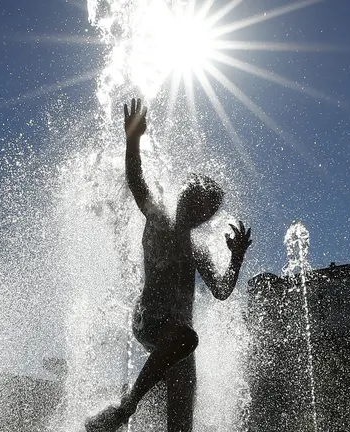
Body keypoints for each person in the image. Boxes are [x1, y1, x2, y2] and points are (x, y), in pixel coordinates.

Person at [85, 98, 252, 432]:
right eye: (197, 203)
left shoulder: (198, 250)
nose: (201, 212)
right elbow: (136, 180)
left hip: (180, 337)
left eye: (207, 210)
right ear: (184, 198)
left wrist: (235, 259)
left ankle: (115, 416)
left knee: (181, 424)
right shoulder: (159, 218)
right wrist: (132, 140)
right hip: (150, 320)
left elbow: (220, 291)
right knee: (187, 338)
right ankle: (124, 409)